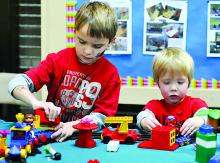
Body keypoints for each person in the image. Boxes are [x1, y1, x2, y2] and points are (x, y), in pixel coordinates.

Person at [8, 1, 120, 142]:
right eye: (82, 41)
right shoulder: (58, 60)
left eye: (97, 46)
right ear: (74, 32)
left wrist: (75, 125)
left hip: (82, 138)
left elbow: (102, 117)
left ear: (111, 41)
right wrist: (35, 102)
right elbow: (16, 83)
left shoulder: (111, 74)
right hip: (50, 132)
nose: (87, 51)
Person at [136, 47, 208, 137]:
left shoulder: (196, 104)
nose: (173, 88)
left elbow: (206, 115)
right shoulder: (154, 105)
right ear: (158, 84)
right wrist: (144, 120)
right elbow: (142, 115)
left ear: (188, 83)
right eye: (167, 82)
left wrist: (200, 120)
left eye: (180, 82)